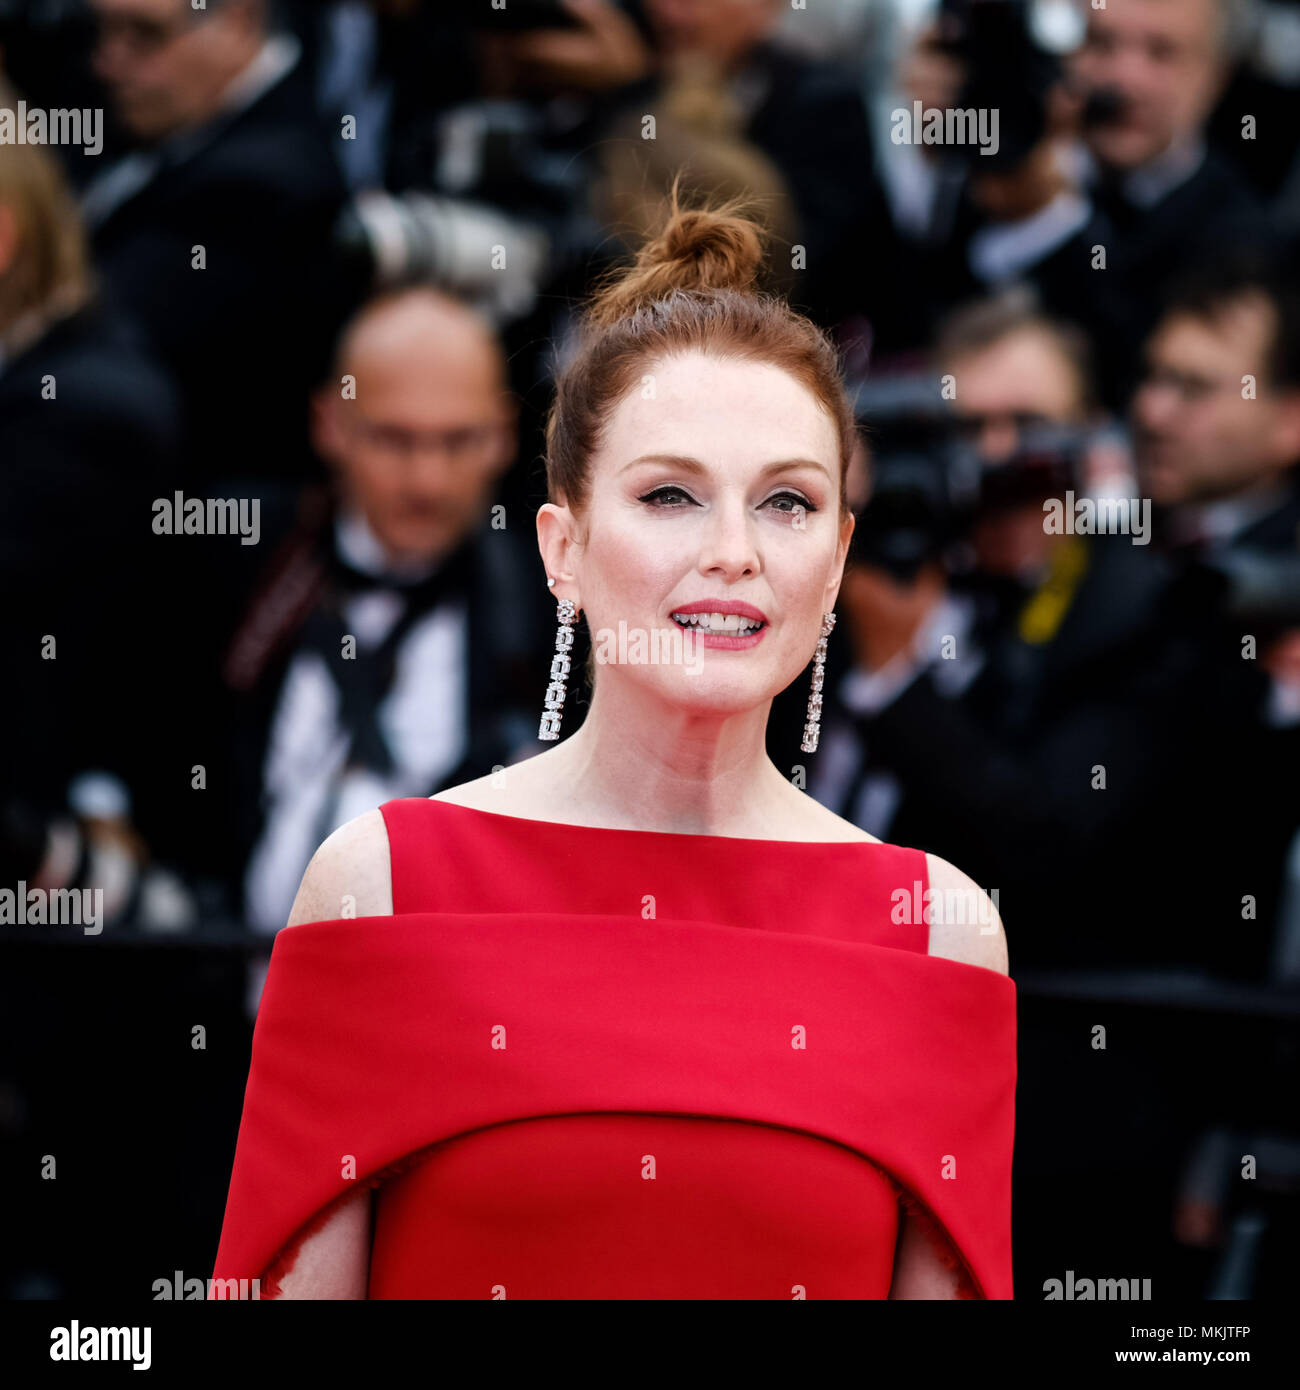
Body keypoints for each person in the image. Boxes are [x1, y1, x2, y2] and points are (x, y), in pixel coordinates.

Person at [211, 193, 1015, 1300]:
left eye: (786, 502)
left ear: (835, 562)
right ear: (564, 546)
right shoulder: (385, 885)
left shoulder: (937, 934)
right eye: (670, 494)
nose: (732, 550)